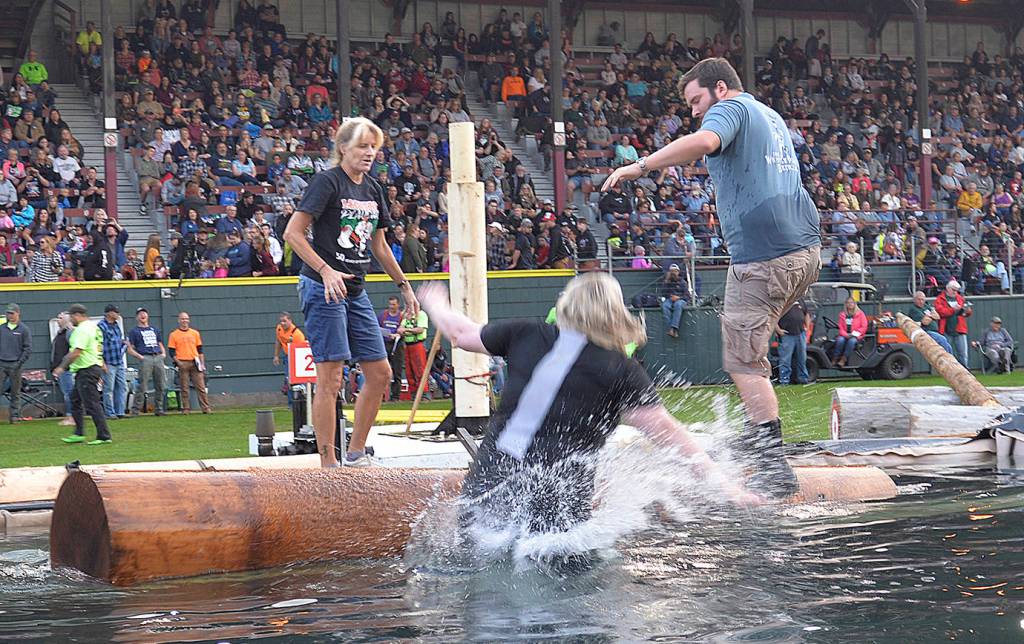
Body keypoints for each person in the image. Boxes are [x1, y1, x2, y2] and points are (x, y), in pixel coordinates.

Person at [602, 57, 821, 496]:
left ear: (720, 88)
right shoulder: (770, 115)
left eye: (696, 99)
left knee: (742, 362)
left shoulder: (731, 109)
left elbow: (704, 141)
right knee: (751, 351)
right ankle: (757, 433)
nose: (695, 110)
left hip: (764, 256)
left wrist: (639, 166)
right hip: (806, 250)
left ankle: (771, 460)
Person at [417, 274, 759, 543]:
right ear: (615, 315)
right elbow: (669, 435)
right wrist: (724, 486)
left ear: (566, 305)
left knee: (483, 551)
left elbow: (461, 334)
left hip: (494, 477)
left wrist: (436, 303)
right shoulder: (621, 370)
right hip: (560, 491)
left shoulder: (525, 333)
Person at [283, 117, 419, 468]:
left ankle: (356, 454)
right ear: (343, 147)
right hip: (322, 286)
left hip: (356, 289)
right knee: (330, 377)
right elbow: (293, 234)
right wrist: (326, 270)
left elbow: (381, 246)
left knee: (380, 372)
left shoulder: (372, 189)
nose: (369, 152)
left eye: (373, 147)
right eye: (362, 145)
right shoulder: (326, 182)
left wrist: (404, 287)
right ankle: (329, 465)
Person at [55, 303, 112, 445]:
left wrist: (62, 367)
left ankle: (104, 436)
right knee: (75, 400)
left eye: (71, 317)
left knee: (92, 404)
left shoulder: (81, 330)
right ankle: (78, 433)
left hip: (87, 369)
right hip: (90, 367)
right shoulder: (94, 327)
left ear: (77, 315)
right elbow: (96, 347)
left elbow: (76, 351)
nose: (70, 320)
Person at [167, 311, 211, 414]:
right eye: (182, 319)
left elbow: (200, 350)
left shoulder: (195, 333)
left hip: (195, 362)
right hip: (182, 362)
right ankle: (186, 408)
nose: (184, 321)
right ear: (179, 320)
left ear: (189, 320)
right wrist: (178, 362)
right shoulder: (174, 335)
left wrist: (202, 363)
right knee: (184, 387)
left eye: (186, 319)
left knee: (200, 386)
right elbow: (171, 352)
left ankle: (205, 408)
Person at [126, 307, 167, 416]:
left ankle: (159, 409)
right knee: (142, 385)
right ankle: (135, 410)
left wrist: (163, 354)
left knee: (161, 384)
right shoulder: (134, 332)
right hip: (145, 358)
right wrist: (140, 357)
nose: (142, 315)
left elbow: (160, 343)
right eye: (140, 314)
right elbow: (129, 349)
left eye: (144, 313)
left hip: (158, 357)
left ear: (147, 316)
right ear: (137, 317)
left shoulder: (154, 330)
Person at [0, 303, 31, 423]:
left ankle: (14, 416)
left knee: (15, 391)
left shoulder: (24, 329)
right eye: (8, 313)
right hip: (1, 363)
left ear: (18, 313)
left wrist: (19, 362)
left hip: (16, 365)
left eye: (12, 313)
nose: (10, 316)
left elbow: (27, 348)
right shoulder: (1, 328)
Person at [98, 304, 128, 419]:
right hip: (108, 362)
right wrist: (102, 362)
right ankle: (109, 413)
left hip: (119, 361)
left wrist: (124, 343)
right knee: (108, 389)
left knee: (122, 387)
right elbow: (98, 345)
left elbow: (117, 341)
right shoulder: (101, 326)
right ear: (109, 313)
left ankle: (120, 411)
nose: (118, 314)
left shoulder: (116, 325)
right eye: (116, 312)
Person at [934, 280, 973, 368]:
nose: (955, 292)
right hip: (946, 330)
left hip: (960, 329)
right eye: (953, 290)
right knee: (946, 353)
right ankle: (947, 370)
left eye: (956, 290)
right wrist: (953, 310)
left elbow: (965, 313)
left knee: (963, 354)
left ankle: (965, 370)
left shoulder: (960, 298)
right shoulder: (940, 299)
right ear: (948, 289)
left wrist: (968, 311)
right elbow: (940, 312)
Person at [273, 311, 305, 407]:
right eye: (281, 321)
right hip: (287, 356)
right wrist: (276, 355)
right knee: (288, 379)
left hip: (297, 357)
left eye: (284, 321)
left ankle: (300, 402)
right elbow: (278, 341)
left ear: (290, 321)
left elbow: (302, 351)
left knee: (297, 381)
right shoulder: (279, 329)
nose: (282, 323)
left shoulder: (297, 335)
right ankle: (291, 403)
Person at [776, 300, 811, 385]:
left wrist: (807, 327)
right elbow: (773, 317)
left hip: (800, 333)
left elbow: (806, 315)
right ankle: (784, 380)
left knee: (802, 358)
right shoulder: (782, 302)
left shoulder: (801, 301)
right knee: (785, 360)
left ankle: (803, 379)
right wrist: (778, 330)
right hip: (787, 335)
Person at [378, 296, 405, 402]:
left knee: (397, 370)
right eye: (390, 304)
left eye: (393, 304)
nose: (391, 307)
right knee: (384, 371)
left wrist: (397, 334)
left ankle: (395, 396)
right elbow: (376, 327)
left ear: (398, 305)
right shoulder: (383, 315)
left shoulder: (401, 316)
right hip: (385, 344)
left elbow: (404, 329)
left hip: (397, 345)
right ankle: (382, 395)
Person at [51, 311, 75, 426]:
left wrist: (64, 365)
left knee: (69, 393)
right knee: (67, 392)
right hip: (60, 369)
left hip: (67, 369)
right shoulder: (59, 334)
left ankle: (71, 417)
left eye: (60, 318)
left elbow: (73, 350)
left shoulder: (69, 333)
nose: (58, 320)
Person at [401, 306, 430, 399]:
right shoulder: (406, 316)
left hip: (417, 344)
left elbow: (420, 329)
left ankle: (424, 393)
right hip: (407, 344)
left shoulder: (421, 315)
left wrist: (406, 330)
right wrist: (407, 330)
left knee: (420, 369)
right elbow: (400, 329)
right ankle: (413, 393)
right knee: (409, 370)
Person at [831, 297, 867, 367]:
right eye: (848, 303)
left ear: (854, 304)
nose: (850, 304)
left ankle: (843, 359)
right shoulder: (842, 314)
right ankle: (835, 358)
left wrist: (854, 334)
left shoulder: (860, 314)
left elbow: (864, 326)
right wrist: (846, 335)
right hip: (845, 335)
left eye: (851, 303)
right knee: (840, 340)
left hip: (856, 336)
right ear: (846, 304)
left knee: (852, 341)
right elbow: (841, 328)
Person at [661, 264, 688, 338]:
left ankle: (673, 328)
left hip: (681, 299)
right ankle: (671, 329)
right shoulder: (667, 282)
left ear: (678, 272)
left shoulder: (683, 282)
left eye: (675, 271)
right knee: (665, 306)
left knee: (678, 305)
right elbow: (663, 293)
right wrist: (666, 281)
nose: (673, 273)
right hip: (670, 299)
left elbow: (687, 296)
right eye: (671, 271)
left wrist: (678, 297)